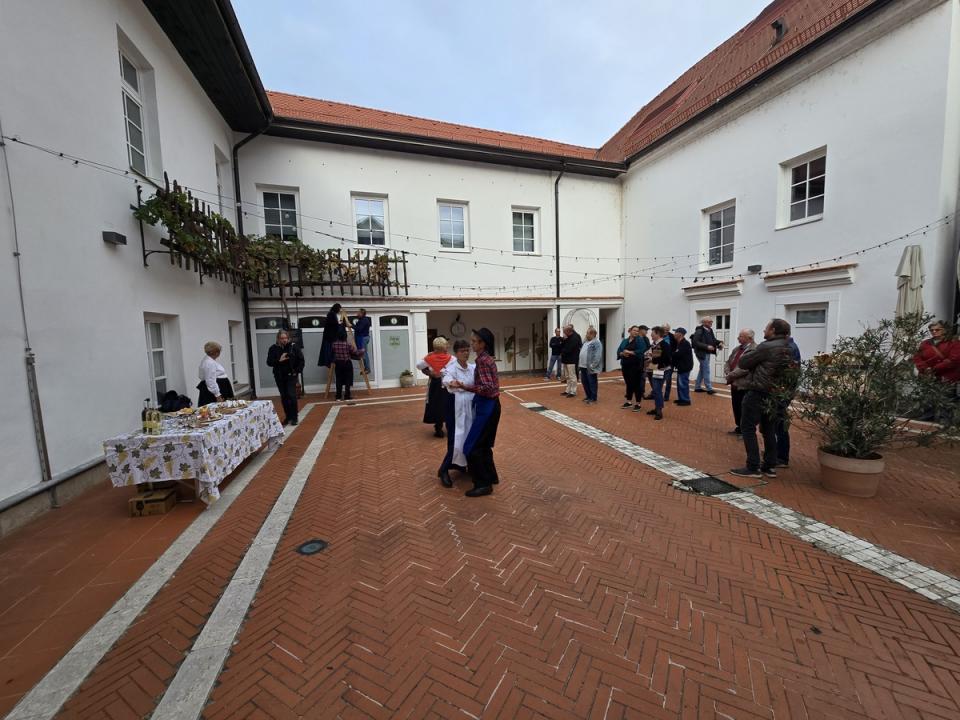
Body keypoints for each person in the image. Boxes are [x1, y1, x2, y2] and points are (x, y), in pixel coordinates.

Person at [730, 319, 795, 480]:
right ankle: (770, 466)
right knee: (769, 429)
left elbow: (744, 362)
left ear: (773, 330)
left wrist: (753, 358)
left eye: (766, 328)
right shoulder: (789, 347)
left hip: (758, 391)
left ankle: (753, 466)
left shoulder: (766, 346)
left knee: (747, 427)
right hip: (775, 393)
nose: (764, 331)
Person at [450, 328, 500, 497]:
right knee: (484, 445)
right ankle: (491, 476)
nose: (471, 344)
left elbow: (487, 388)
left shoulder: (482, 361)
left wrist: (465, 386)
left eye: (473, 341)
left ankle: (483, 484)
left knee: (472, 447)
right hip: (492, 405)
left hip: (488, 406)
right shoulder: (486, 359)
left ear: (482, 343)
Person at [438, 340, 475, 488]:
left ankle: (462, 465)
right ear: (456, 353)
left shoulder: (472, 368)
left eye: (467, 350)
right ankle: (443, 470)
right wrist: (452, 383)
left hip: (470, 408)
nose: (466, 353)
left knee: (468, 438)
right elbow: (447, 380)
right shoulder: (451, 368)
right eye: (462, 351)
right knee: (455, 440)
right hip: (456, 409)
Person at [913, 320, 960, 418]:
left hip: (946, 376)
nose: (934, 332)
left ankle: (945, 419)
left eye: (937, 329)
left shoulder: (954, 343)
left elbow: (953, 360)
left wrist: (934, 368)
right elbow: (917, 357)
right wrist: (925, 369)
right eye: (932, 330)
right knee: (928, 397)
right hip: (928, 375)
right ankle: (927, 416)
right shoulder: (925, 343)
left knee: (945, 398)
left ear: (944, 330)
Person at [266, 330, 304, 425]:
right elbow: (269, 362)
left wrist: (296, 371)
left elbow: (301, 360)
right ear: (278, 339)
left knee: (291, 395)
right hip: (279, 376)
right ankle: (288, 416)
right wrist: (279, 360)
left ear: (288, 338)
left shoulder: (293, 347)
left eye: (286, 338)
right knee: (284, 396)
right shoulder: (273, 348)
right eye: (282, 338)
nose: (284, 340)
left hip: (291, 375)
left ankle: (294, 417)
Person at [775, 335, 802, 467]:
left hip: (782, 393)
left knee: (780, 424)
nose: (764, 331)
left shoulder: (788, 349)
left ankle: (781, 457)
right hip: (783, 391)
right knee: (777, 424)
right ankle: (778, 452)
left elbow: (788, 373)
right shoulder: (789, 347)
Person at [724, 329, 756, 436]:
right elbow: (728, 362)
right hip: (734, 383)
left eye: (741, 336)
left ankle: (745, 431)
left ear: (749, 338)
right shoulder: (737, 349)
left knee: (744, 409)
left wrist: (730, 375)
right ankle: (739, 427)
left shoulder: (754, 350)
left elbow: (745, 368)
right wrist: (728, 372)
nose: (738, 338)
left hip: (744, 385)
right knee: (736, 407)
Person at [419, 337, 452, 438]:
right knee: (447, 404)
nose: (447, 347)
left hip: (436, 383)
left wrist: (430, 371)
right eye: (446, 345)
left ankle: (439, 428)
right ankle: (447, 427)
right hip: (445, 383)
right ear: (443, 347)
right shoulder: (451, 358)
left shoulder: (430, 358)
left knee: (437, 404)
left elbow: (419, 365)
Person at [645, 326, 672, 420]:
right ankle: (657, 408)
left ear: (658, 334)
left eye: (652, 334)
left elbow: (667, 359)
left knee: (657, 390)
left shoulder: (664, 344)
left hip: (660, 370)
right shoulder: (654, 344)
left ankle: (659, 411)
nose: (651, 335)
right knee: (656, 390)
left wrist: (652, 359)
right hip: (653, 369)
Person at [617, 326, 647, 411]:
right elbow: (619, 350)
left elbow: (642, 350)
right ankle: (629, 401)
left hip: (636, 366)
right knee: (628, 383)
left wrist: (630, 352)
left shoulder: (640, 340)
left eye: (637, 331)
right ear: (630, 331)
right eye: (634, 330)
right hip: (625, 365)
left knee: (636, 384)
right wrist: (622, 353)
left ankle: (638, 403)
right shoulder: (625, 340)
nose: (636, 332)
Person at [330, 326, 364, 401]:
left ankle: (338, 396)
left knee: (338, 380)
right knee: (348, 379)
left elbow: (332, 353)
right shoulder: (348, 345)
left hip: (338, 364)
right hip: (347, 363)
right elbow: (356, 352)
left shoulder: (334, 344)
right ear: (345, 336)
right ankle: (347, 396)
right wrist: (362, 350)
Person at [197, 341, 235, 406]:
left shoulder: (209, 361)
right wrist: (218, 395)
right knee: (217, 408)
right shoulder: (209, 363)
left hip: (218, 387)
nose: (219, 353)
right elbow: (210, 380)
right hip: (214, 391)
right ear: (214, 352)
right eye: (218, 351)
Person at [692, 318, 721, 394]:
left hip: (707, 353)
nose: (711, 323)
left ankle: (697, 387)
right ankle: (709, 389)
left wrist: (719, 343)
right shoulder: (699, 331)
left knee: (702, 369)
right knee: (706, 370)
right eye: (710, 322)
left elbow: (713, 340)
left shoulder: (710, 330)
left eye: (711, 321)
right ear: (704, 322)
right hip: (701, 353)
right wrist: (707, 346)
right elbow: (695, 342)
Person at [579, 326, 602, 404]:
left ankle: (593, 398)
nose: (586, 335)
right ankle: (588, 396)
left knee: (592, 382)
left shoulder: (596, 342)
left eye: (587, 333)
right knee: (584, 382)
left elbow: (598, 355)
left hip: (590, 367)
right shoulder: (585, 342)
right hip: (583, 366)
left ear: (593, 334)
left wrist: (593, 365)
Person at [671, 327, 694, 406]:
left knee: (683, 383)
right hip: (682, 366)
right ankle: (681, 398)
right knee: (680, 383)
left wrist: (671, 354)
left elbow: (678, 354)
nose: (674, 334)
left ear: (680, 334)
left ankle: (686, 400)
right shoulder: (680, 343)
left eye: (676, 332)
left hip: (685, 367)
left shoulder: (685, 343)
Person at [560, 324, 583, 398]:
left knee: (572, 376)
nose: (564, 333)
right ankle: (568, 390)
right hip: (566, 360)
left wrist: (562, 351)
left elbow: (569, 349)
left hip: (572, 360)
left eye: (564, 332)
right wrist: (563, 340)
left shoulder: (575, 337)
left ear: (569, 331)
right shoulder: (568, 337)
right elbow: (563, 346)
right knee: (567, 376)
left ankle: (573, 391)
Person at [317, 303, 343, 368]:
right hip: (330, 337)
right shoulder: (332, 314)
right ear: (337, 308)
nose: (339, 310)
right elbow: (334, 325)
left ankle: (329, 362)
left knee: (329, 350)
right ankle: (329, 362)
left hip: (329, 336)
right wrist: (340, 325)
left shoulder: (331, 314)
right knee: (329, 351)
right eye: (339, 309)